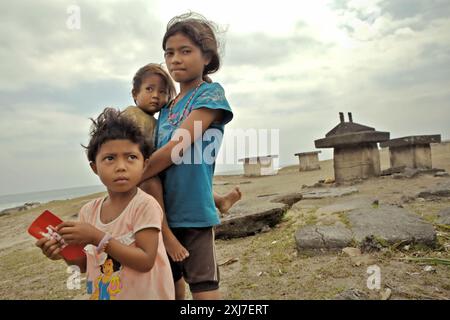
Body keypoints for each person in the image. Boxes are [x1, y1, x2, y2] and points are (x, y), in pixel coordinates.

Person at [35, 108, 175, 300]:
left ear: (144, 164)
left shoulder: (145, 205)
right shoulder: (88, 212)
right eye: (110, 158)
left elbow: (145, 261)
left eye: (131, 157)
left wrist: (97, 236)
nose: (121, 166)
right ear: (94, 167)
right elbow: (84, 265)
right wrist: (62, 253)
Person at [140, 12, 233, 300]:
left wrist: (133, 176)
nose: (175, 59)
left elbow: (177, 147)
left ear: (206, 57)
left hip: (193, 212)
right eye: (169, 53)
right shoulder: (166, 108)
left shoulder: (210, 95)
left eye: (185, 51)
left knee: (204, 290)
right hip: (162, 214)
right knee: (170, 286)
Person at [123, 63, 241, 264]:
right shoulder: (131, 115)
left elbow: (174, 148)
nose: (155, 96)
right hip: (146, 172)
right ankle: (167, 235)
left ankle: (219, 201)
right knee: (152, 183)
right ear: (135, 94)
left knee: (181, 172)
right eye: (149, 90)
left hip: (160, 166)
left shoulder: (161, 117)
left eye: (162, 92)